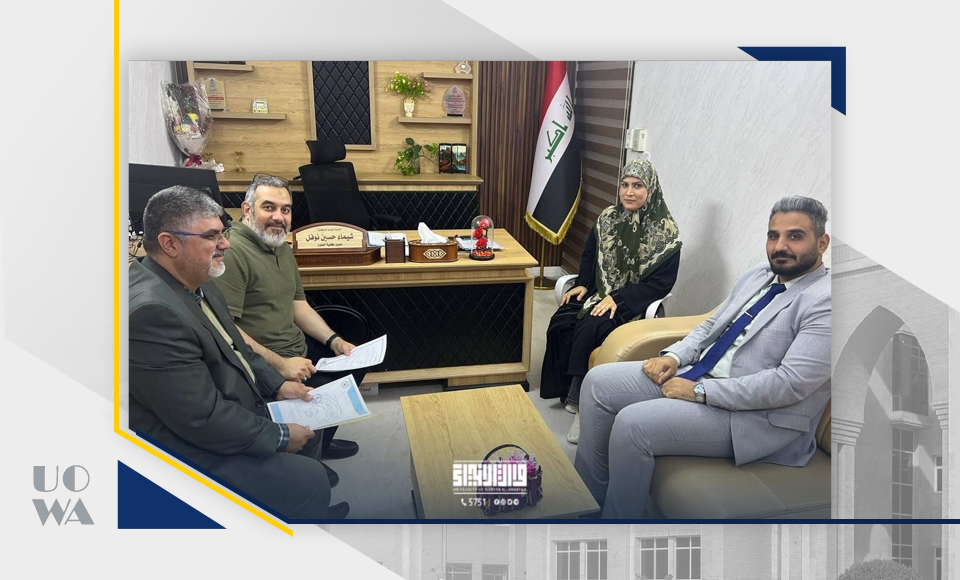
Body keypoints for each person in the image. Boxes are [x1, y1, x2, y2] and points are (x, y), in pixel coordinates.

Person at [574, 195, 831, 519]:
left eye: (795, 236)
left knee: (632, 424)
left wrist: (700, 391)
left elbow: (788, 385)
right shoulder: (760, 274)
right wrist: (675, 356)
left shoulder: (826, 301)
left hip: (759, 417)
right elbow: (712, 325)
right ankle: (588, 504)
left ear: (822, 242)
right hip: (702, 373)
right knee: (598, 382)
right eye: (773, 235)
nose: (780, 246)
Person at [129, 185, 349, 519]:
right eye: (212, 236)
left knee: (307, 425)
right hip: (186, 445)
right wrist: (278, 435)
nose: (225, 244)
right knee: (311, 481)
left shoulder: (199, 278)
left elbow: (237, 346)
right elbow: (201, 418)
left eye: (223, 233)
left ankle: (304, 513)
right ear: (169, 244)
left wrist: (277, 384)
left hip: (222, 407)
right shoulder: (151, 314)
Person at [212, 174, 365, 487]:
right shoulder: (233, 251)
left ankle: (319, 443)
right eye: (268, 207)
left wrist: (334, 341)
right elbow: (225, 328)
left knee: (354, 362)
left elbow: (299, 306)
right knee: (318, 397)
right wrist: (281, 364)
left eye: (286, 209)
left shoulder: (280, 246)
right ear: (247, 209)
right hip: (264, 363)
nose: (279, 217)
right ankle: (308, 470)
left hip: (297, 350)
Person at [539, 158, 681, 444]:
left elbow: (661, 283)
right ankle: (564, 388)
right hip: (599, 290)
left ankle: (582, 401)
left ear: (651, 189)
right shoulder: (607, 218)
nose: (629, 192)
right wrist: (583, 284)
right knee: (563, 319)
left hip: (632, 301)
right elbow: (590, 256)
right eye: (624, 185)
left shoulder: (666, 232)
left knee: (594, 324)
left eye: (638, 186)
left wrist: (619, 298)